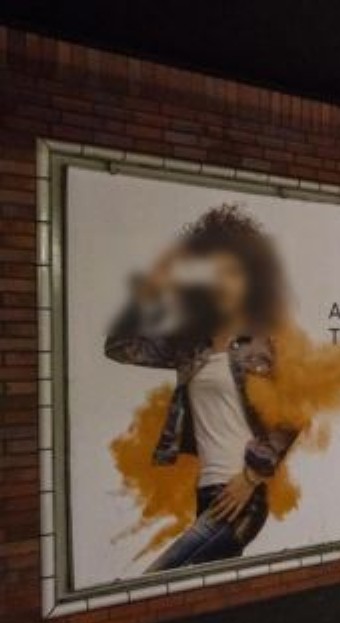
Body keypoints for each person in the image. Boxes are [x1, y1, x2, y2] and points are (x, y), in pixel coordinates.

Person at [105, 204, 298, 572]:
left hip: (242, 496)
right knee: (204, 590)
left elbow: (294, 414)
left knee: (156, 581)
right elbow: (120, 346)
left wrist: (251, 477)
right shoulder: (192, 344)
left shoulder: (265, 343)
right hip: (207, 492)